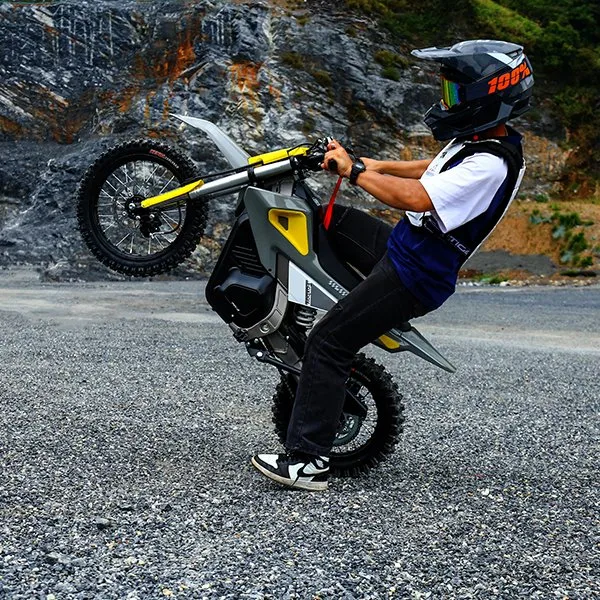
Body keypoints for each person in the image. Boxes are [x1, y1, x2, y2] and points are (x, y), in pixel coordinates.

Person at [252, 39, 534, 491]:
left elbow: (417, 197)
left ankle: (307, 462)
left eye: (457, 94)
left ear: (489, 95)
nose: (448, 101)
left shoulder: (490, 164)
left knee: (328, 341)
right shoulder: (483, 141)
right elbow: (431, 168)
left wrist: (354, 173)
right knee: (328, 221)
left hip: (414, 276)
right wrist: (365, 161)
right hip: (404, 247)